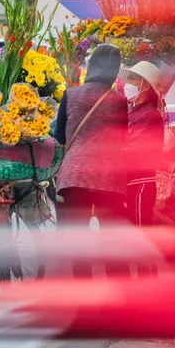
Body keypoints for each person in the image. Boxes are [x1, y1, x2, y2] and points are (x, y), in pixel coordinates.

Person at [54, 43, 129, 277]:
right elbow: (122, 138)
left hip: (75, 175)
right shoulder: (118, 101)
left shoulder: (70, 95)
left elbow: (59, 136)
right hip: (108, 175)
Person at [122, 62, 165, 227]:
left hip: (141, 182)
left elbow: (137, 150)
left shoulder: (149, 115)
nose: (127, 84)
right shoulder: (133, 110)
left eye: (132, 79)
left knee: (140, 231)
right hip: (131, 182)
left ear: (145, 85)